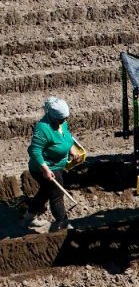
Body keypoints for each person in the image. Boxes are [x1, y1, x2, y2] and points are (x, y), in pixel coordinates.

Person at [26, 96, 83, 234]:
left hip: (57, 165)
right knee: (56, 195)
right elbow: (34, 150)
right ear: (52, 116)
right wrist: (45, 169)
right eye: (61, 119)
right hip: (44, 167)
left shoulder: (61, 123)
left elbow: (66, 136)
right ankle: (63, 225)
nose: (64, 121)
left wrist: (72, 149)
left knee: (45, 191)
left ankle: (29, 217)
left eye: (65, 119)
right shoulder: (43, 128)